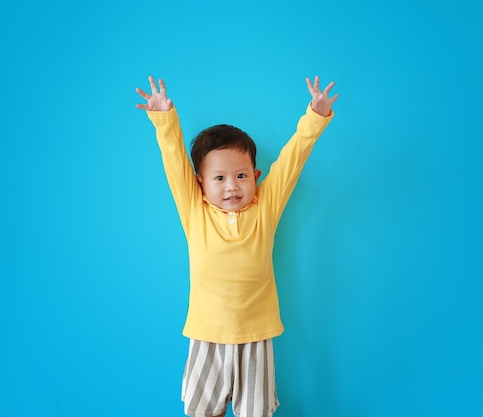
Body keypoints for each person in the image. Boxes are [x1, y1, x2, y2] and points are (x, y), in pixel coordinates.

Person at [135, 75, 338, 417]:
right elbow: (173, 161)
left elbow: (292, 161)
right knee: (202, 411)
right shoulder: (194, 211)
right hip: (207, 335)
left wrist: (314, 118)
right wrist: (164, 120)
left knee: (256, 412)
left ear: (256, 177)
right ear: (200, 184)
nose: (232, 186)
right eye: (219, 178)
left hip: (256, 336)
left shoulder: (266, 207)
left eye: (241, 176)